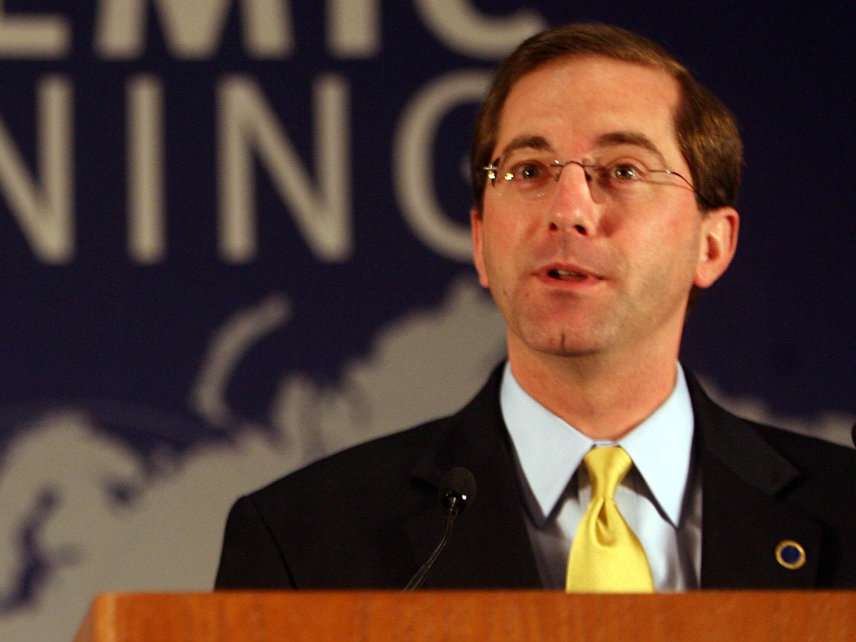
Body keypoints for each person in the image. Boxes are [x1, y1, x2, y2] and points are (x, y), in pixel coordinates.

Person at [214, 22, 856, 591]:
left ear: (712, 245)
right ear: (481, 244)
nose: (568, 210)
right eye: (528, 171)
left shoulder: (843, 513)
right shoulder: (304, 542)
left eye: (624, 170)